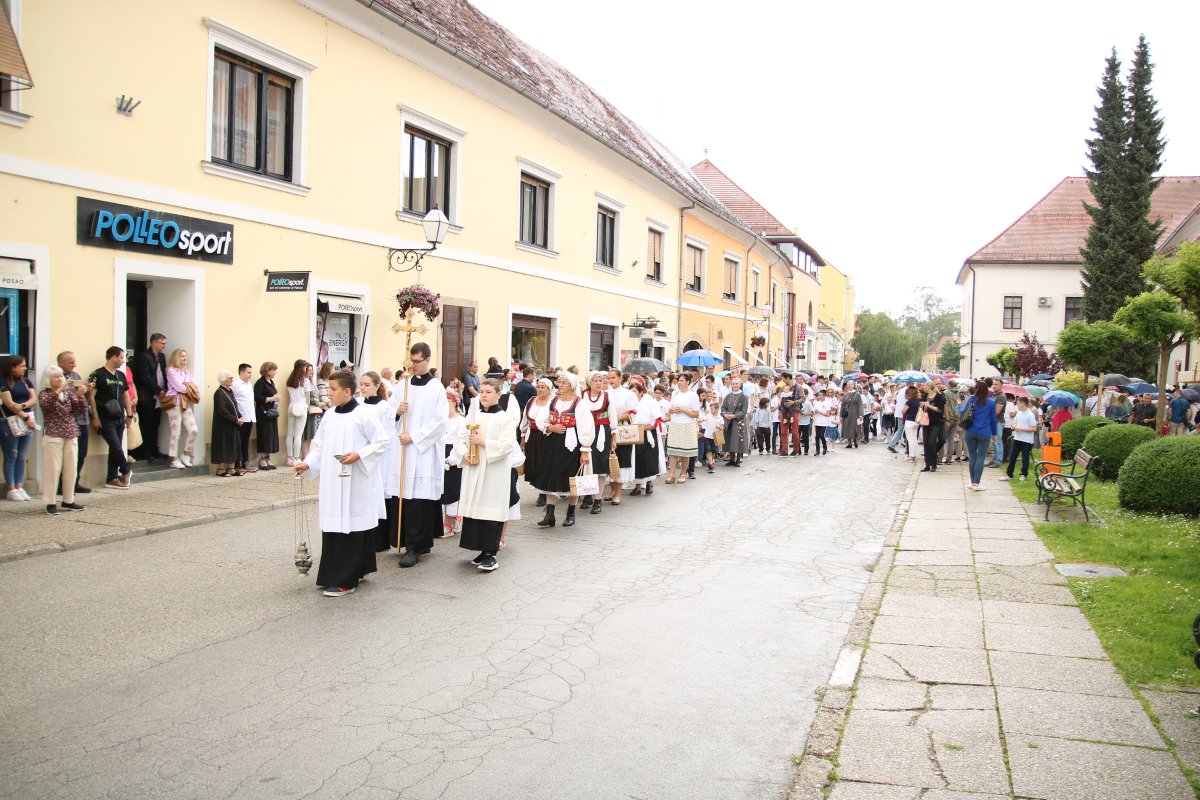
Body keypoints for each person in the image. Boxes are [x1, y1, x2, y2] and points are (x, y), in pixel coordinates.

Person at [295, 370, 390, 597]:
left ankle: (346, 579)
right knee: (335, 525)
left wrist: (359, 454)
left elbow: (382, 442)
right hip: (332, 480)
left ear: (347, 391)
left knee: (352, 525)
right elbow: (319, 446)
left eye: (333, 390)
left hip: (355, 479)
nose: (330, 394)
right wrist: (307, 463)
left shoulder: (363, 415)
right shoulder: (329, 416)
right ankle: (342, 571)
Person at [393, 342, 448, 567]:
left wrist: (414, 437)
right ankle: (407, 541)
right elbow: (387, 412)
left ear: (428, 360)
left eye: (417, 361)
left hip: (423, 451)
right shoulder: (402, 385)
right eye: (410, 361)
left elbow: (440, 422)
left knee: (419, 501)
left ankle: (415, 547)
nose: (413, 365)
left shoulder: (436, 388)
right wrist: (397, 412)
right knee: (405, 498)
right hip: (404, 449)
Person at [452, 378, 516, 572]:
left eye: (489, 391)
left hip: (493, 471)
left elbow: (507, 445)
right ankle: (480, 548)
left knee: (491, 509)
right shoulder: (471, 417)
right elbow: (459, 439)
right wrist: (463, 453)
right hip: (474, 467)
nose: (484, 395)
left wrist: (484, 441)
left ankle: (491, 553)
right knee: (476, 508)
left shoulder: (505, 418)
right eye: (482, 391)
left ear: (499, 394)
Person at [533, 372, 595, 527]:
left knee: (571, 478)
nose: (560, 385)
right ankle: (550, 514)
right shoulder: (553, 401)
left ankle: (571, 513)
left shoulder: (579, 404)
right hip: (552, 444)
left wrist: (585, 450)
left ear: (572, 386)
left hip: (571, 446)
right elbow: (541, 419)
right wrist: (550, 427)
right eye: (559, 382)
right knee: (550, 476)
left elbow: (586, 427)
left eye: (564, 383)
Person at [38, 365, 87, 514]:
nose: (60, 379)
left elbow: (80, 410)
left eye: (61, 376)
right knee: (53, 469)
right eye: (56, 377)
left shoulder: (68, 393)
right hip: (53, 434)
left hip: (70, 433)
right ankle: (50, 502)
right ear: (49, 379)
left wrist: (80, 396)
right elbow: (47, 406)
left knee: (71, 468)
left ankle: (68, 500)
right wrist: (60, 390)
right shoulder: (44, 394)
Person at [359, 371, 398, 552]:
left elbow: (387, 433)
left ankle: (380, 540)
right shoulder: (357, 405)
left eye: (367, 385)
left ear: (376, 386)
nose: (363, 388)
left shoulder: (384, 407)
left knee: (380, 494)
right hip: (360, 455)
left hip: (379, 457)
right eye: (361, 384)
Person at [88, 346, 134, 489]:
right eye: (121, 357)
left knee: (116, 447)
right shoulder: (98, 374)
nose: (123, 360)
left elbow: (126, 395)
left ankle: (112, 477)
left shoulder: (120, 375)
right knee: (115, 445)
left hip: (119, 416)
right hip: (105, 418)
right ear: (113, 357)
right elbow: (91, 397)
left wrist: (130, 414)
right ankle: (126, 469)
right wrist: (95, 417)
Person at [1, 355, 39, 500]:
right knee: (12, 454)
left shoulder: (26, 382)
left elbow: (33, 399)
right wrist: (25, 417)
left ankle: (19, 485)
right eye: (22, 366)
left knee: (22, 456)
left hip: (26, 420)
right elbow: (9, 404)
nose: (24, 368)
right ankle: (11, 488)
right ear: (12, 367)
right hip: (10, 422)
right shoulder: (3, 383)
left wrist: (23, 406)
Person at [56, 351, 93, 494]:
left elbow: (81, 396)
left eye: (74, 362)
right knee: (67, 455)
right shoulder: (57, 377)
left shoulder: (75, 376)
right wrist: (77, 394)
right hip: (69, 421)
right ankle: (62, 485)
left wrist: (86, 389)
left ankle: (74, 482)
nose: (75, 365)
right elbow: (60, 398)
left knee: (81, 453)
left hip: (83, 419)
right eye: (71, 362)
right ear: (61, 363)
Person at [131, 333, 168, 460]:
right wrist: (158, 390)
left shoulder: (162, 357)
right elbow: (145, 376)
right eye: (162, 343)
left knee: (156, 423)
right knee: (147, 423)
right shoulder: (144, 356)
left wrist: (164, 390)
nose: (164, 346)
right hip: (148, 395)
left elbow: (163, 374)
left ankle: (154, 449)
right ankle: (144, 451)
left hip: (159, 396)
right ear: (154, 342)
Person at [164, 348, 199, 469]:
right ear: (176, 358)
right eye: (182, 356)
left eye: (185, 356)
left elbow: (194, 386)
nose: (185, 358)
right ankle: (173, 459)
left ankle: (186, 454)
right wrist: (189, 387)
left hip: (185, 403)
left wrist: (188, 386)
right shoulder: (171, 371)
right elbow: (179, 387)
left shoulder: (187, 371)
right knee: (176, 431)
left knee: (194, 430)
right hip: (175, 403)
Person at [963, 380, 998, 491]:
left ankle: (972, 481)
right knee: (981, 458)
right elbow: (993, 419)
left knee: (972, 457)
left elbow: (963, 412)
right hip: (984, 432)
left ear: (976, 389)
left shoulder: (971, 399)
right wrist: (994, 433)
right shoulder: (991, 402)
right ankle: (976, 483)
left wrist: (959, 404)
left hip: (970, 431)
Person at [665, 374, 700, 481]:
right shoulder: (675, 393)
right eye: (678, 380)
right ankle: (671, 475)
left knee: (685, 452)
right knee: (673, 451)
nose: (679, 382)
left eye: (682, 380)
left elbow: (696, 414)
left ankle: (683, 474)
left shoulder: (693, 395)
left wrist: (683, 410)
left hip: (687, 425)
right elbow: (669, 410)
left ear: (688, 382)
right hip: (675, 424)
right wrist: (673, 411)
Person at [210, 370, 243, 477]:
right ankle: (220, 469)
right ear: (223, 380)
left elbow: (234, 406)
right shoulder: (219, 393)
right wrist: (236, 419)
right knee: (223, 445)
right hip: (223, 425)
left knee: (233, 445)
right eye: (230, 378)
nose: (232, 380)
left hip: (232, 423)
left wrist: (239, 416)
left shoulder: (230, 391)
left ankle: (231, 468)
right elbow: (223, 411)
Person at [1000, 396, 1038, 482]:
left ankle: (1023, 474)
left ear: (1023, 404)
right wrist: (1013, 426)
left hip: (1026, 440)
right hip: (1017, 438)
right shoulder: (1019, 413)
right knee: (1012, 457)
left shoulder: (1030, 415)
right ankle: (1009, 474)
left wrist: (1021, 429)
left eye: (1018, 403)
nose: (1017, 405)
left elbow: (1034, 428)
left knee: (1025, 458)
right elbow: (1014, 423)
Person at [254, 362, 281, 470]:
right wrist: (272, 398)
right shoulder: (260, 383)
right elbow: (258, 398)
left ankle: (267, 457)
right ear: (267, 370)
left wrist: (276, 397)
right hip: (263, 413)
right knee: (264, 435)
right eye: (273, 370)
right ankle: (262, 459)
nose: (275, 372)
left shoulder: (271, 382)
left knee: (271, 436)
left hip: (272, 412)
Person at [284, 360, 311, 466]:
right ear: (302, 368)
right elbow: (307, 397)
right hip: (301, 407)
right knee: (298, 435)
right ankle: (296, 458)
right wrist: (307, 408)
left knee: (290, 434)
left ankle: (289, 458)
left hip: (291, 407)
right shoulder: (305, 380)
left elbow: (289, 395)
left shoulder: (290, 380)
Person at [232, 363, 257, 474]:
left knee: (245, 441)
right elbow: (233, 401)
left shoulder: (249, 385)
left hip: (250, 417)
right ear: (241, 372)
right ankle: (238, 463)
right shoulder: (236, 384)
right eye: (248, 372)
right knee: (239, 440)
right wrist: (237, 415)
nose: (250, 375)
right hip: (241, 417)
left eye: (251, 372)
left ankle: (245, 462)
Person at [719, 377, 750, 467]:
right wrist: (724, 414)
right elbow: (723, 408)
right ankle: (732, 459)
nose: (735, 385)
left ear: (740, 385)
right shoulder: (728, 396)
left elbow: (744, 411)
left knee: (739, 440)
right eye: (733, 384)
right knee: (730, 440)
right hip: (729, 421)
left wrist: (735, 416)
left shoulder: (744, 397)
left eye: (737, 384)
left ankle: (738, 460)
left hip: (739, 421)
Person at [920, 382, 946, 472]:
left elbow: (939, 410)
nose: (924, 387)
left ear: (930, 387)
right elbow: (921, 407)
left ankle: (934, 463)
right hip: (925, 421)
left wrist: (929, 406)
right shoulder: (925, 396)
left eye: (925, 386)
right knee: (926, 443)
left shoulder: (939, 397)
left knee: (932, 442)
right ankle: (927, 465)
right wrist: (923, 406)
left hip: (935, 422)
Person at [840, 382, 863, 448]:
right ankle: (849, 442)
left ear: (853, 385)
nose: (849, 386)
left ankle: (855, 440)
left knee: (854, 427)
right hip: (847, 414)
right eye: (848, 385)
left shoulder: (857, 394)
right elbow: (843, 405)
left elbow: (860, 405)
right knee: (847, 427)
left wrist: (861, 414)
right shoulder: (846, 394)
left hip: (855, 413)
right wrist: (841, 416)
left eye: (850, 385)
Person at [901, 386, 921, 462]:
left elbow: (903, 411)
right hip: (916, 421)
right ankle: (914, 455)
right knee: (914, 438)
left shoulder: (909, 402)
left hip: (909, 421)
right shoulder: (919, 401)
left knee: (910, 439)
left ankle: (911, 456)